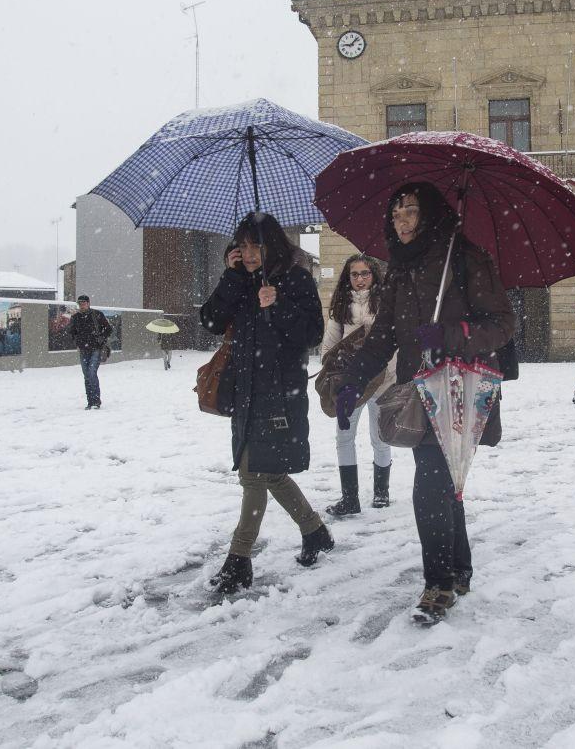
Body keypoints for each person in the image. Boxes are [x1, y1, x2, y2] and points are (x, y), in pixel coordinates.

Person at [335, 182, 516, 623]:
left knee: (433, 482)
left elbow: (503, 323)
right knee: (442, 477)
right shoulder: (397, 270)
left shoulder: (466, 258)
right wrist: (351, 382)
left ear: (430, 213)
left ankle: (438, 583)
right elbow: (381, 340)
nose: (400, 221)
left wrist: (452, 335)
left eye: (410, 211)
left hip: (462, 387)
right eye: (395, 214)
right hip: (422, 386)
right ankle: (458, 568)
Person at [200, 213, 333, 594]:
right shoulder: (239, 279)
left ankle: (239, 560)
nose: (249, 252)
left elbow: (312, 334)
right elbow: (209, 321)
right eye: (242, 245)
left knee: (253, 475)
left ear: (272, 244)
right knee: (268, 472)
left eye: (256, 245)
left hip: (279, 393)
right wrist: (231, 278)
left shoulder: (295, 278)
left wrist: (277, 305)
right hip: (245, 391)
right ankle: (315, 531)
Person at [321, 254, 394, 516]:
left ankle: (381, 492)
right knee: (344, 437)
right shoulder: (341, 305)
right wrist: (337, 366)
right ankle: (350, 498)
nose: (360, 279)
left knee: (381, 438)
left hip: (383, 381)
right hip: (351, 382)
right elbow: (328, 346)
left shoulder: (386, 303)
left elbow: (393, 343)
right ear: (347, 277)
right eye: (354, 274)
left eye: (365, 274)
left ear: (374, 275)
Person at [70, 295, 114, 409]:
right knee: (86, 375)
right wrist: (77, 342)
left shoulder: (97, 314)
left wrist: (101, 338)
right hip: (83, 350)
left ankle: (96, 401)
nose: (82, 305)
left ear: (88, 303)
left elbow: (108, 329)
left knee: (91, 373)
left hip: (96, 349)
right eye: (80, 303)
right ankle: (90, 402)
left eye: (84, 303)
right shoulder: (75, 317)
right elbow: (72, 332)